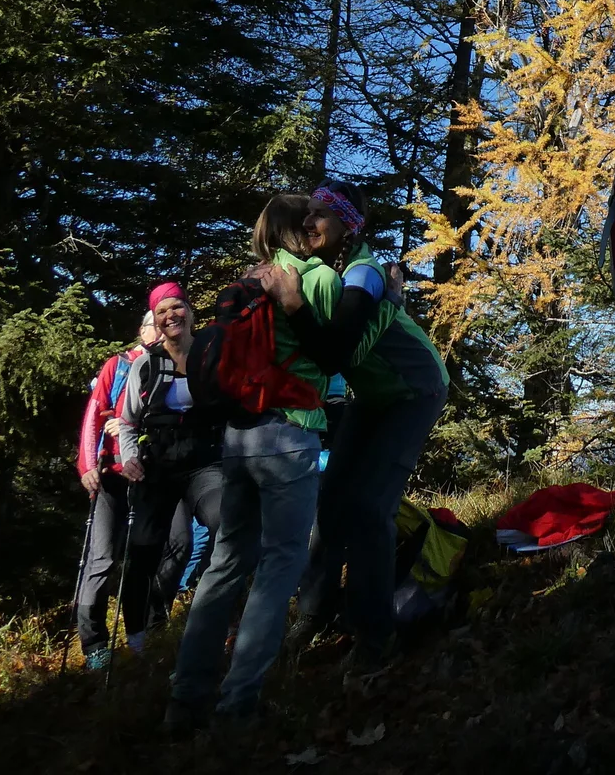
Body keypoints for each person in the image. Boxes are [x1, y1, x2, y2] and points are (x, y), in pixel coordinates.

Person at [164, 195, 336, 733]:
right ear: (295, 229)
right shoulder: (314, 278)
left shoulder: (247, 281)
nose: (314, 225)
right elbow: (337, 355)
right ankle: (238, 703)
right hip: (290, 435)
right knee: (280, 565)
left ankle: (184, 699)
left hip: (238, 438)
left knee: (225, 563)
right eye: (307, 219)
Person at [292, 181, 448, 681]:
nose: (308, 222)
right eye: (306, 214)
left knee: (369, 508)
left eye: (319, 214)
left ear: (347, 224)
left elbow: (336, 350)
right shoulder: (331, 272)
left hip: (416, 390)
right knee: (333, 501)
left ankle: (376, 637)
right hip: (375, 396)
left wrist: (291, 304)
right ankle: (312, 616)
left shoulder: (363, 272)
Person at [113, 283, 224, 652]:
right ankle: (138, 637)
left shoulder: (211, 354)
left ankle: (216, 615)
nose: (170, 316)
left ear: (191, 312)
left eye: (177, 308)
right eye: (162, 312)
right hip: (156, 467)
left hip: (203, 463)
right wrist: (127, 459)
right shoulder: (146, 365)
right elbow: (127, 422)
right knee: (144, 548)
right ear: (156, 321)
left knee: (224, 521)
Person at [75, 307, 156, 671]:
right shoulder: (119, 364)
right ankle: (93, 644)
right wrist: (87, 466)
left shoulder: (175, 365)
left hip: (150, 475)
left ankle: (144, 633)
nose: (158, 330)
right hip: (110, 474)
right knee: (103, 559)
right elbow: (94, 413)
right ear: (141, 329)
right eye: (152, 324)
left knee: (152, 554)